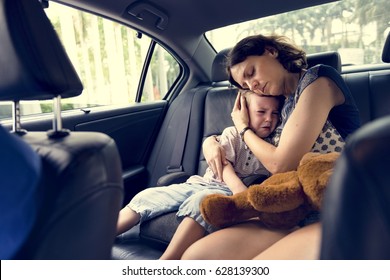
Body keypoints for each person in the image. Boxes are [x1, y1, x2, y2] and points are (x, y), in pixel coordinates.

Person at [180, 34, 361, 260]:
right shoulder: (278, 103)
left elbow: (280, 163)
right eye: (245, 84)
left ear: (270, 51)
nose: (252, 84)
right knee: (195, 258)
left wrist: (243, 128)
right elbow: (235, 141)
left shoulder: (319, 80)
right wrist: (211, 142)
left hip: (334, 204)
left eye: (251, 72)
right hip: (287, 207)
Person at [116, 91, 283, 259]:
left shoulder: (273, 147)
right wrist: (239, 188)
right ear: (244, 112)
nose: (269, 119)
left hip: (226, 194)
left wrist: (241, 192)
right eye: (261, 112)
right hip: (203, 183)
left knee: (201, 202)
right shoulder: (232, 134)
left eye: (274, 113)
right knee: (148, 195)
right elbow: (223, 165)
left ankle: (168, 261)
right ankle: (99, 238)